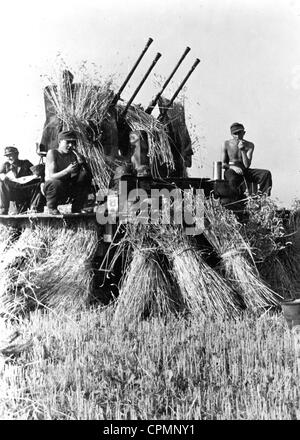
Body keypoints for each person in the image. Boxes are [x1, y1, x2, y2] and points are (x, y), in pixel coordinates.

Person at [43, 130, 92, 214]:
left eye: (73, 143)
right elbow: (52, 176)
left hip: (66, 186)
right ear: (59, 142)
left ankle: (77, 207)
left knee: (85, 176)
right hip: (52, 187)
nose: (71, 145)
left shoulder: (73, 155)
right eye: (68, 142)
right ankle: (51, 207)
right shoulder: (53, 153)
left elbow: (79, 176)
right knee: (56, 183)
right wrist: (67, 170)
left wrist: (82, 164)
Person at [222, 122, 272, 197]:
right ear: (232, 134)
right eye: (235, 134)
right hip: (231, 170)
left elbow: (247, 165)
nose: (238, 136)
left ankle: (262, 198)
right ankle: (237, 201)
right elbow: (223, 164)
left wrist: (242, 150)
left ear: (244, 132)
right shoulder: (226, 144)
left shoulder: (250, 145)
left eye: (240, 133)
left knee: (266, 174)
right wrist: (233, 168)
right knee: (232, 179)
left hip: (244, 169)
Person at [0, 146, 45, 215]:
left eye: (10, 155)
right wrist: (2, 176)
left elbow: (35, 174)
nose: (9, 158)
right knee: (1, 183)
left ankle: (35, 208)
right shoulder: (6, 165)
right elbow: (0, 174)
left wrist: (38, 170)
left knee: (39, 183)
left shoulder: (25, 163)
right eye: (7, 156)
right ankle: (4, 209)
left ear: (16, 154)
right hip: (13, 192)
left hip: (26, 191)